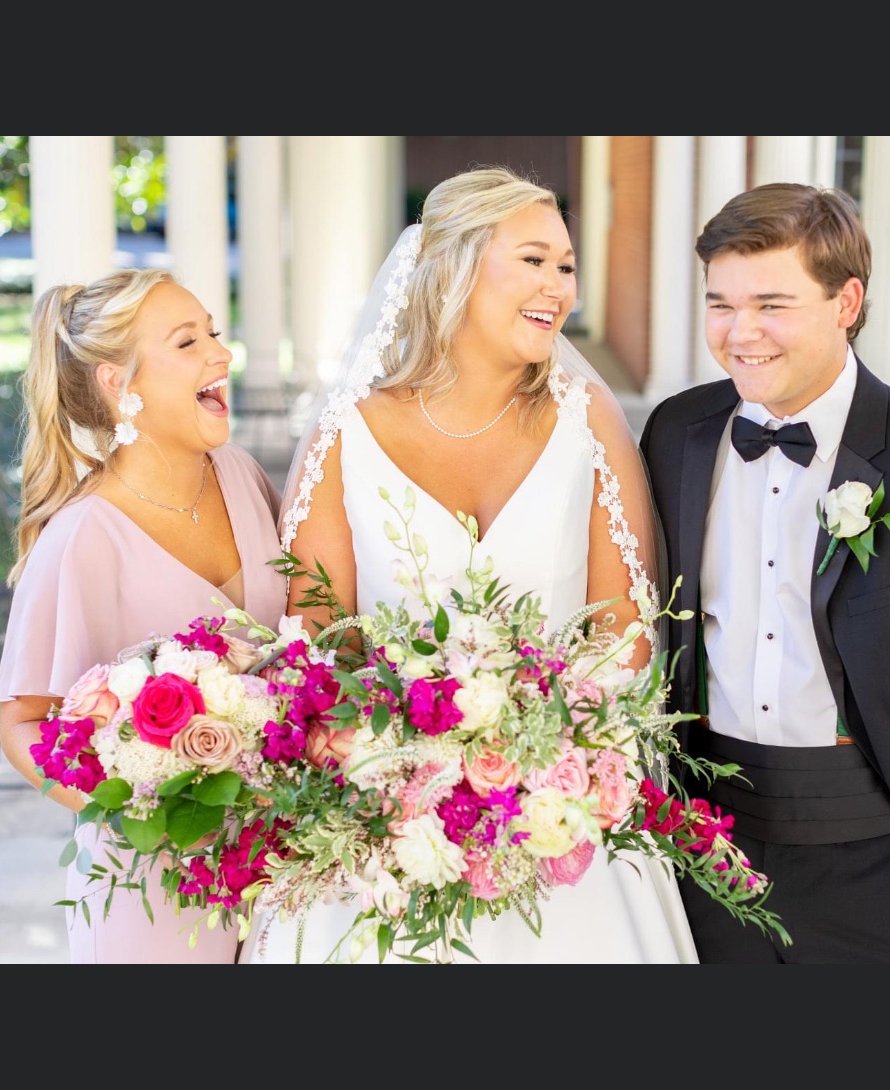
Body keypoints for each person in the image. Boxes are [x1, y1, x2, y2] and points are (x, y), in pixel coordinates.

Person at [241, 165, 697, 964]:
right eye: (532, 259)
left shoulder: (587, 420)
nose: (559, 286)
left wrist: (545, 763)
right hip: (385, 839)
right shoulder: (350, 432)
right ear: (453, 267)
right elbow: (318, 641)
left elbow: (626, 633)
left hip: (564, 836)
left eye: (565, 265)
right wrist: (408, 770)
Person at [640, 182, 890, 964]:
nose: (739, 332)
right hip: (707, 856)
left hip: (884, 866)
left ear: (845, 300)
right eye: (721, 303)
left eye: (771, 305)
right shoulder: (675, 433)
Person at [0, 268, 289, 964]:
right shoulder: (81, 540)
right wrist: (144, 809)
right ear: (117, 384)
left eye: (214, 332)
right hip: (154, 895)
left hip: (279, 867)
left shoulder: (241, 475)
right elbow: (22, 724)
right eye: (188, 343)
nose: (222, 353)